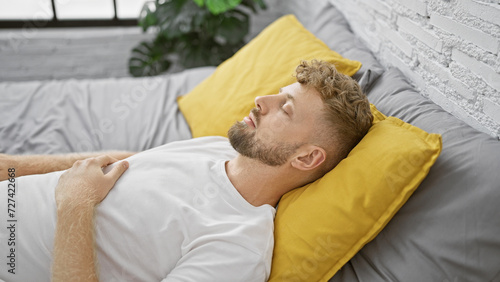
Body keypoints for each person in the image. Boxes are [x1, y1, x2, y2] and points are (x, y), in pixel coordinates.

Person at [0, 60, 373, 281]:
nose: (262, 100)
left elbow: (78, 188)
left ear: (306, 158)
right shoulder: (219, 147)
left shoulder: (236, 248)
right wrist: (9, 169)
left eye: (285, 108)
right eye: (278, 93)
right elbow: (118, 162)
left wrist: (76, 202)